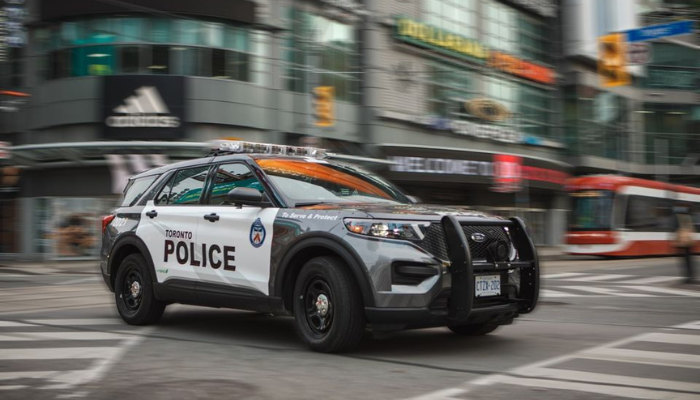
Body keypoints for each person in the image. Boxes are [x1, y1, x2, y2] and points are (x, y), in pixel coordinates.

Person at [673, 209, 696, 284]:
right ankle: (690, 277)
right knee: (689, 261)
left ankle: (688, 278)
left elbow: (677, 231)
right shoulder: (689, 219)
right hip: (688, 243)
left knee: (686, 261)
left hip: (683, 243)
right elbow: (692, 230)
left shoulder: (678, 219)